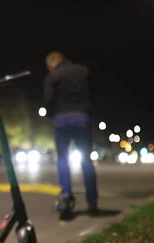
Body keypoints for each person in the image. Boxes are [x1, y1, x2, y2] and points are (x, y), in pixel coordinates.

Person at [43, 51, 98, 219]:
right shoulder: (83, 71)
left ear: (52, 65)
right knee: (86, 159)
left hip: (62, 119)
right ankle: (92, 199)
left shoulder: (53, 77)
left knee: (63, 159)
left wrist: (51, 114)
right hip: (82, 117)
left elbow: (48, 101)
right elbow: (94, 92)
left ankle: (66, 194)